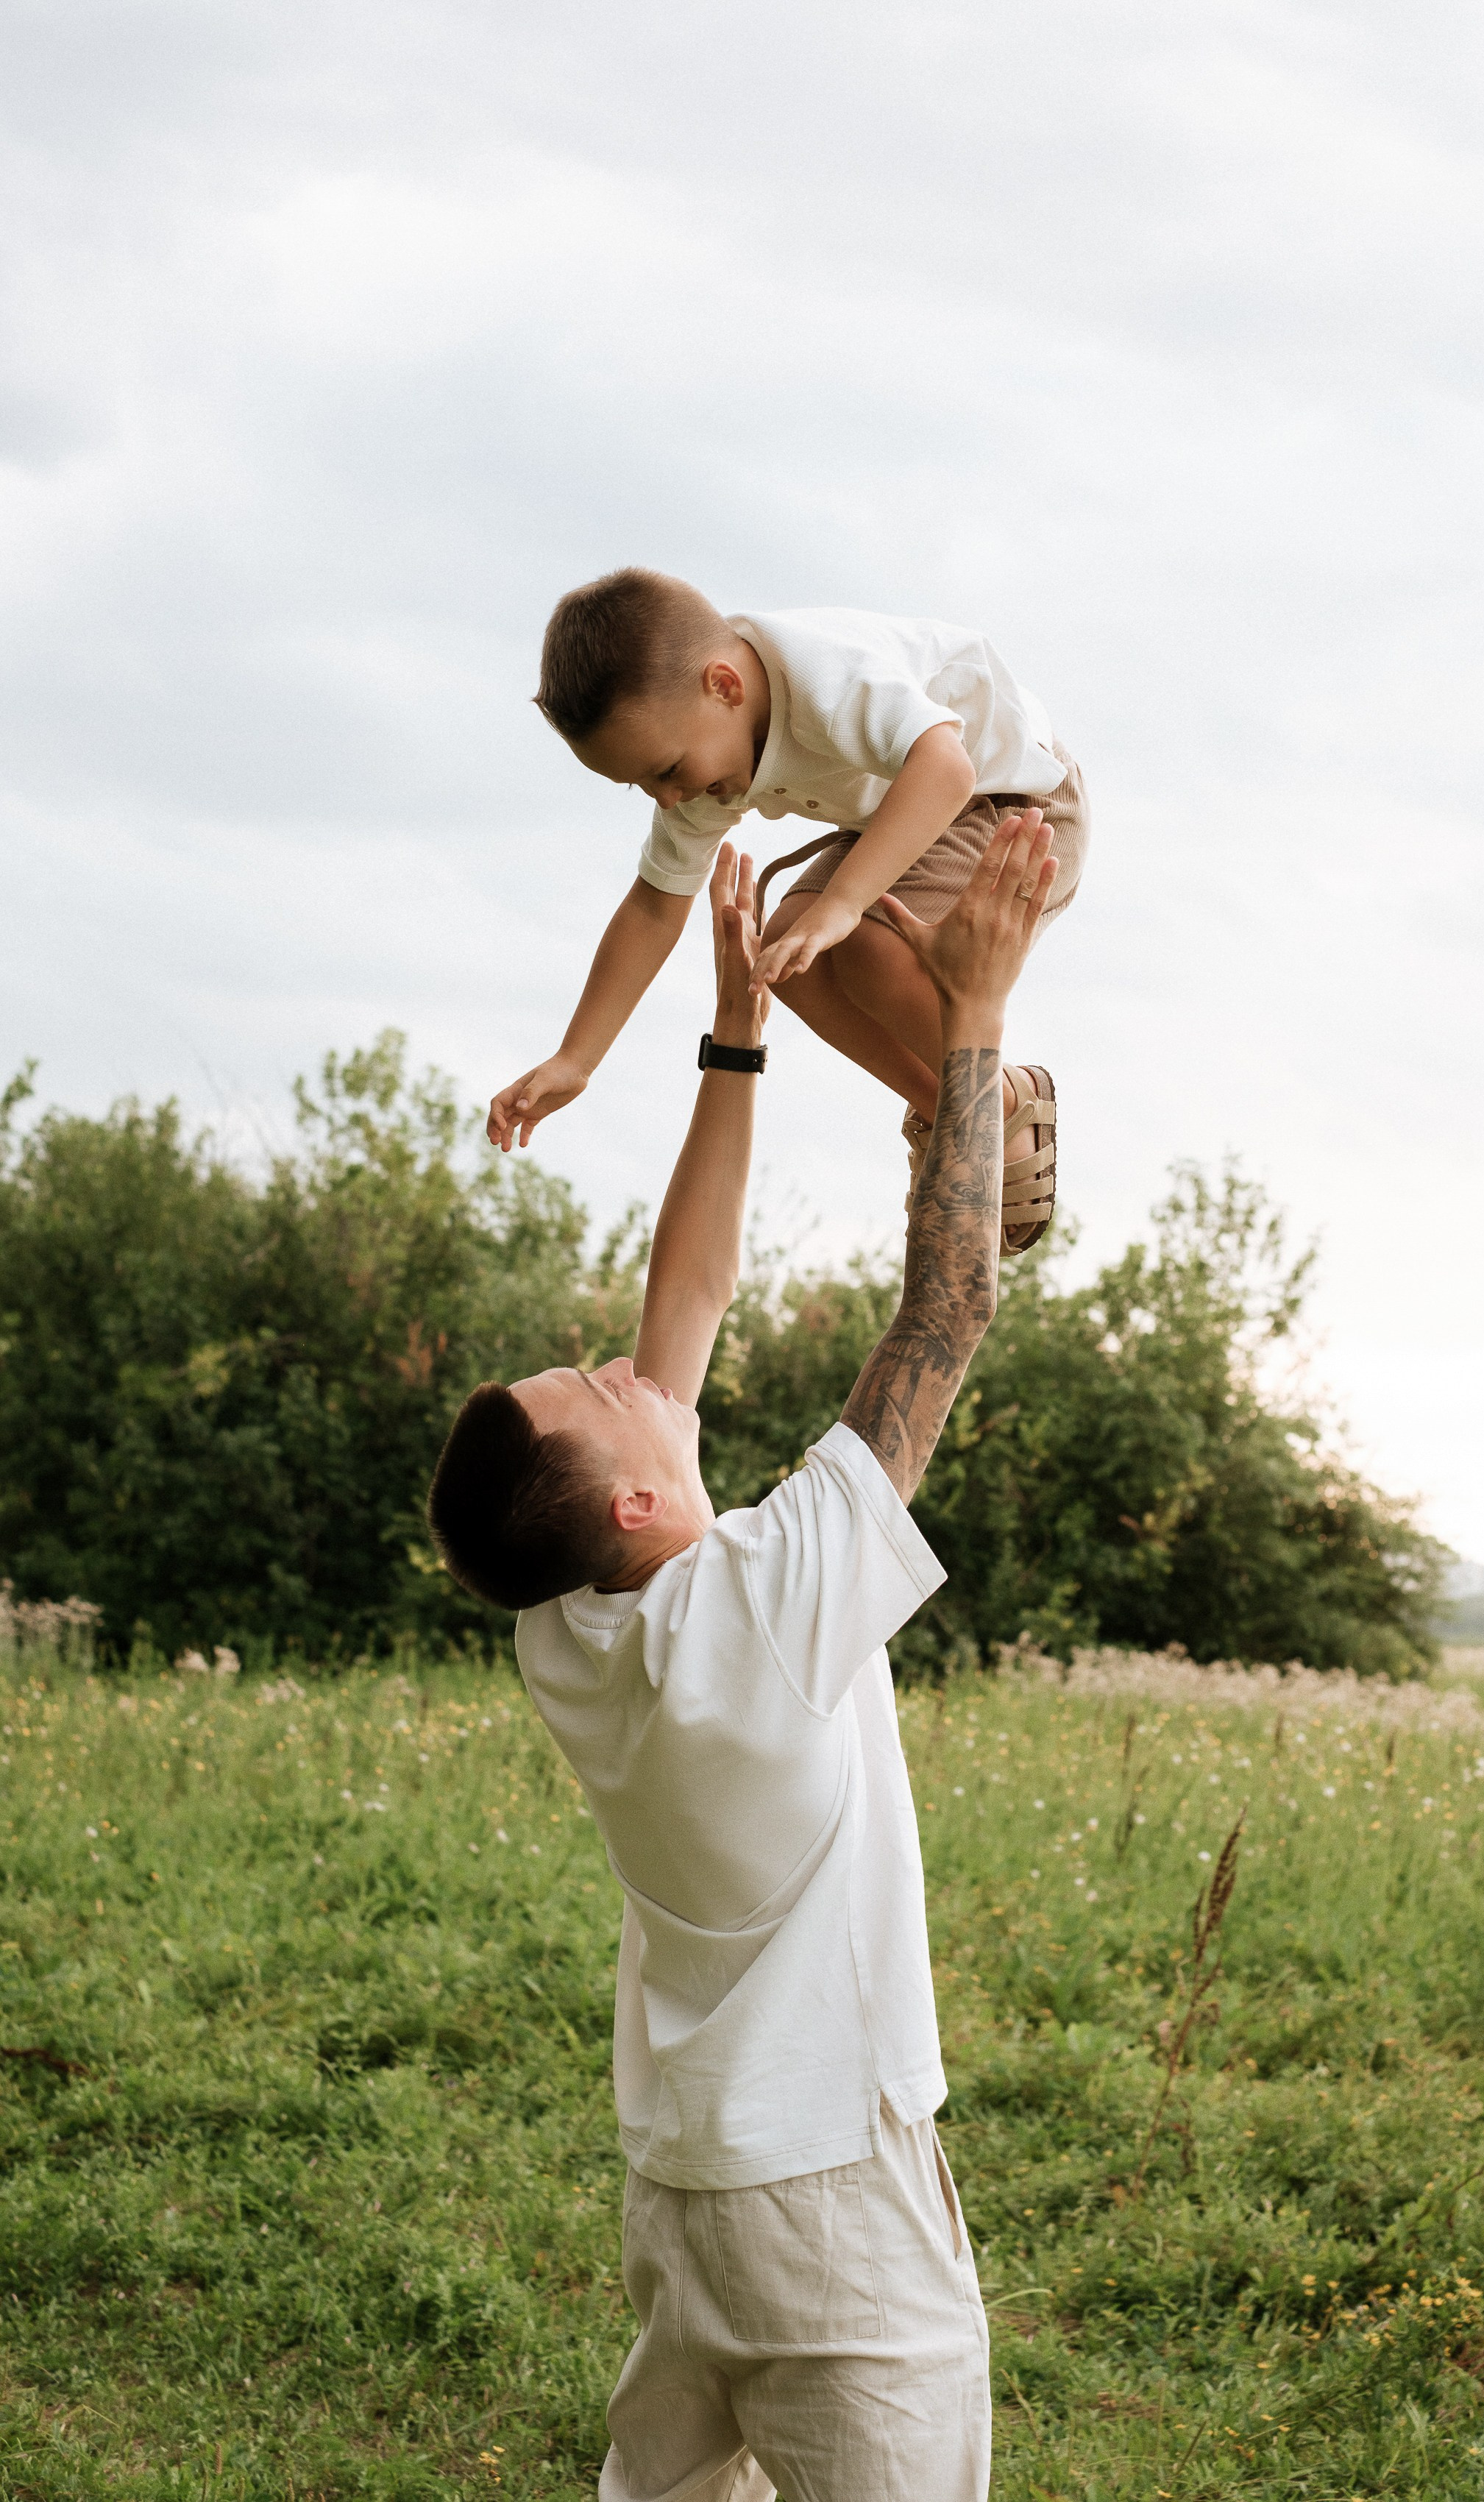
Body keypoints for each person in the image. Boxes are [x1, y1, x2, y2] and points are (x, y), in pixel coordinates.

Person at [430, 815, 1058, 2500]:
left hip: (690, 2187)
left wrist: (736, 1025)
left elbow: (685, 1286)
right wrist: (974, 1011)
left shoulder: (572, 1624)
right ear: (634, 1487)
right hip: (827, 2204)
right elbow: (945, 1308)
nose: (615, 1359)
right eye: (594, 1382)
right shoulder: (759, 1606)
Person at [486, 568, 1088, 1255]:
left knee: (861, 945)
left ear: (724, 687)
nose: (668, 799)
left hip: (1017, 800)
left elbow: (945, 767)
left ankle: (1005, 1102)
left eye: (665, 770)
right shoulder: (700, 759)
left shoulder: (825, 675)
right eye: (642, 786)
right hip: (907, 816)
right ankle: (948, 1112)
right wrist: (577, 1056)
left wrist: (841, 904)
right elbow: (654, 906)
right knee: (789, 958)